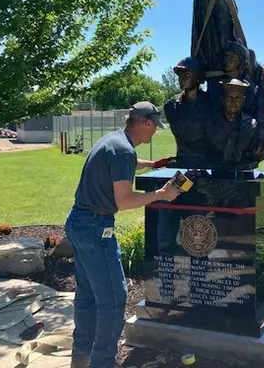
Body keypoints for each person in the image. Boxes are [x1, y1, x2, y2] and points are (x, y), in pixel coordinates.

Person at [64, 101, 181, 368]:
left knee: (87, 296)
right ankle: (103, 363)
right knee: (114, 299)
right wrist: (162, 195)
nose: (154, 134)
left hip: (78, 224)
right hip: (96, 228)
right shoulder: (123, 151)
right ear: (146, 123)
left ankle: (80, 358)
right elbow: (124, 201)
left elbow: (124, 162)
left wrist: (153, 163)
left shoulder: (113, 142)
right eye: (154, 128)